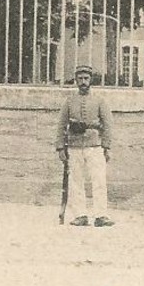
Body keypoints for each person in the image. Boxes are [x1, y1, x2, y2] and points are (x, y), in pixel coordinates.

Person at [55, 64, 115, 228]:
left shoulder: (99, 101)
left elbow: (108, 125)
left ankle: (101, 215)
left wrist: (106, 146)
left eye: (86, 78)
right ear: (75, 80)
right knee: (75, 181)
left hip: (94, 146)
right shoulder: (69, 102)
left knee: (99, 180)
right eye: (80, 79)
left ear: (91, 80)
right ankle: (80, 215)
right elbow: (61, 125)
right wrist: (61, 147)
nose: (83, 82)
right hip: (74, 146)